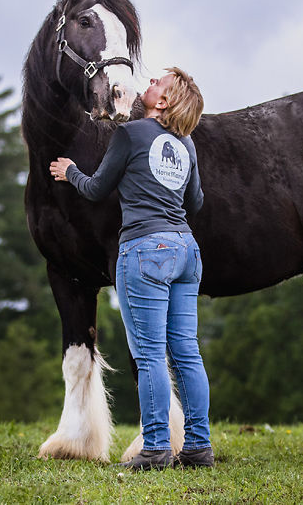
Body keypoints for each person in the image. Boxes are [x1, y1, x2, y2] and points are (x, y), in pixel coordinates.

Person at [49, 67, 213, 470]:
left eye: (156, 83)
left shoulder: (130, 135)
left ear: (165, 100)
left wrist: (69, 170)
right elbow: (196, 202)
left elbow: (95, 189)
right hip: (186, 251)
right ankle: (198, 446)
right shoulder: (186, 144)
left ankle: (156, 447)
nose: (147, 85)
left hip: (145, 250)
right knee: (187, 353)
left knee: (151, 354)